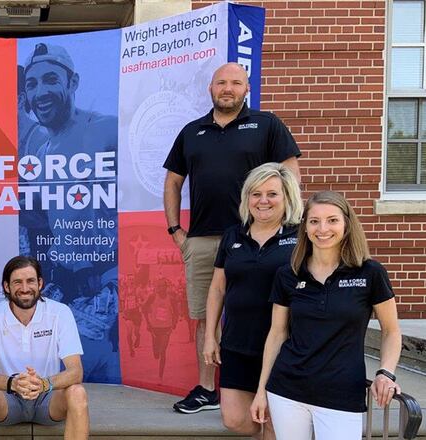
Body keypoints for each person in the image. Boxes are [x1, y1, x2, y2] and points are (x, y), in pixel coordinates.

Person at [163, 62, 301, 413]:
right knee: (205, 317)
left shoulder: (267, 124)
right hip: (203, 239)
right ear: (210, 88)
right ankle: (208, 389)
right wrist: (176, 231)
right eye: (221, 82)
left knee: (268, 312)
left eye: (236, 82)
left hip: (259, 239)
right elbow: (173, 181)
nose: (228, 88)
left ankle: (268, 387)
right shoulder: (192, 131)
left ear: (247, 88)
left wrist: (289, 224)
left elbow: (290, 174)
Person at [250, 191, 402, 440]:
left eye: (332, 220)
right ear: (305, 227)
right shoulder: (288, 274)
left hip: (342, 394)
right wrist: (261, 391)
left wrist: (386, 373)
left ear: (346, 224)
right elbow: (277, 334)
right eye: (314, 221)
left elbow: (391, 331)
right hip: (287, 391)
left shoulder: (370, 273)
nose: (322, 229)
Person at [20, 42, 120, 383]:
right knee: (47, 368)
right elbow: (47, 215)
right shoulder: (38, 145)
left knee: (87, 372)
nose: (40, 92)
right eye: (32, 84)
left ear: (73, 82)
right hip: (63, 280)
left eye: (51, 80)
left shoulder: (105, 130)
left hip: (102, 280)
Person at [201, 163, 303, 436]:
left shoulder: (301, 236)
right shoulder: (233, 235)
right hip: (237, 343)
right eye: (256, 194)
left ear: (287, 197)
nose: (263, 201)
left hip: (284, 345)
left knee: (273, 420)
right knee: (235, 419)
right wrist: (210, 336)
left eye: (272, 194)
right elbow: (217, 288)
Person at [0, 256, 89, 440]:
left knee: (77, 392)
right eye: (17, 282)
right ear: (6, 286)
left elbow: (76, 371)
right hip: (8, 398)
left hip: (48, 397)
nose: (25, 288)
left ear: (40, 284)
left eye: (30, 281)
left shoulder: (60, 312)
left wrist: (43, 384)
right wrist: (13, 384)